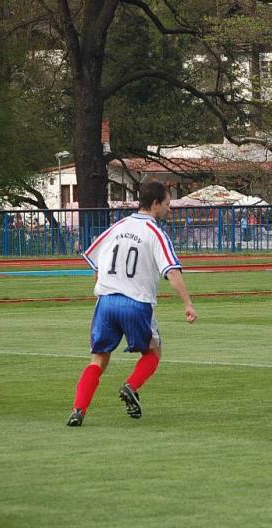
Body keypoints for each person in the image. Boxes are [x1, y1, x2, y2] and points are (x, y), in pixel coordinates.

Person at [66, 181, 198, 427]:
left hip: (105, 302)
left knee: (98, 359)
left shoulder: (116, 227)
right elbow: (172, 272)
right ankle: (131, 386)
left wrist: (104, 289)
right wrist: (188, 304)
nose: (169, 209)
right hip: (136, 303)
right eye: (168, 204)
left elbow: (96, 264)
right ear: (156, 203)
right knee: (153, 352)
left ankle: (78, 410)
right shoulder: (155, 232)